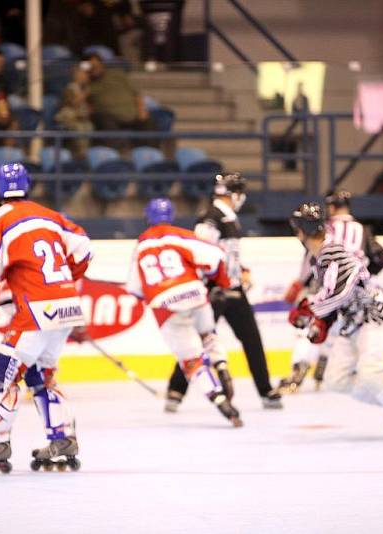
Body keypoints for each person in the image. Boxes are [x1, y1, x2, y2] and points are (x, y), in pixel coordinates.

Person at [0, 163, 92, 474]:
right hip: (65, 306)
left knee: (3, 371)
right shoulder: (50, 215)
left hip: (37, 311)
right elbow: (84, 250)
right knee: (40, 374)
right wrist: (57, 283)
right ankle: (62, 438)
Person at [287, 202, 383, 440]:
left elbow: (339, 291)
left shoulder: (332, 251)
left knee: (372, 373)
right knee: (336, 380)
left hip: (374, 317)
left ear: (301, 231)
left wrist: (310, 308)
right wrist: (320, 320)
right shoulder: (321, 256)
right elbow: (334, 298)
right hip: (351, 324)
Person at [165, 173, 283, 411]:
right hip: (215, 290)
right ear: (235, 194)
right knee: (203, 338)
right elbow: (198, 254)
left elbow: (224, 255)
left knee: (250, 339)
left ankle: (265, 389)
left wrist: (240, 269)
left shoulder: (227, 217)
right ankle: (176, 389)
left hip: (232, 287)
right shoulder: (211, 219)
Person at [126, 198, 242, 427]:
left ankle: (220, 401)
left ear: (147, 216)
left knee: (192, 362)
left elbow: (134, 288)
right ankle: (221, 365)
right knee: (208, 334)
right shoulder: (181, 235)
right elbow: (217, 255)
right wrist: (220, 281)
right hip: (194, 292)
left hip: (165, 304)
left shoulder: (140, 246)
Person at [278, 189, 383, 394]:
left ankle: (299, 370)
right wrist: (363, 274)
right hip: (354, 290)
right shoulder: (361, 229)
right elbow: (382, 257)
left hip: (325, 285)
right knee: (335, 327)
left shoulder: (325, 229)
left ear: (331, 207)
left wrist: (299, 283)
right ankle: (322, 365)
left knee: (309, 324)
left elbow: (313, 258)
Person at [82, 52, 155, 148]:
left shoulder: (117, 74)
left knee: (150, 122)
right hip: (108, 117)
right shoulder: (88, 84)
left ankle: (151, 156)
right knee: (105, 122)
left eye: (97, 65)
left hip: (132, 115)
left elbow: (136, 94)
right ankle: (115, 159)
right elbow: (82, 102)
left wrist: (141, 110)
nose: (95, 68)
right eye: (91, 66)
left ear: (102, 64)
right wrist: (84, 80)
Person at [55, 85, 94, 159]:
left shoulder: (81, 107)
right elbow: (58, 119)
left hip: (81, 125)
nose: (78, 100)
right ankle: (80, 152)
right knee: (78, 127)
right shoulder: (65, 109)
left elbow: (85, 115)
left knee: (88, 125)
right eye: (76, 98)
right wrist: (74, 117)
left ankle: (85, 151)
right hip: (69, 127)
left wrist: (85, 114)